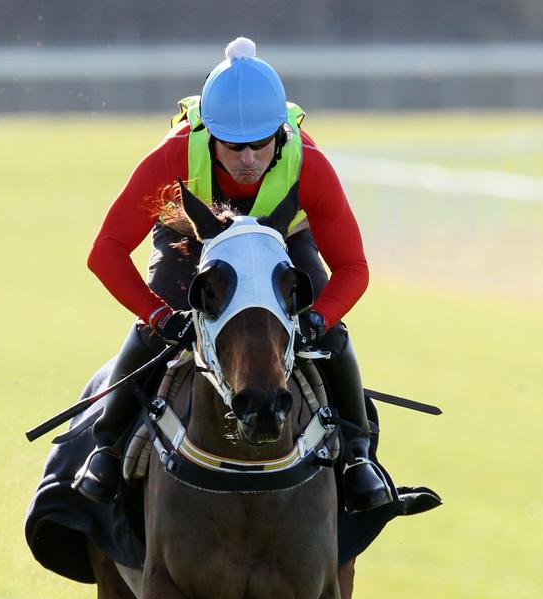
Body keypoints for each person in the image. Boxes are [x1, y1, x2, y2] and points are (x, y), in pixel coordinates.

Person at [73, 37, 392, 513]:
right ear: (210, 135)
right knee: (156, 331)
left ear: (280, 136)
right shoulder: (173, 155)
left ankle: (358, 458)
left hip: (283, 235)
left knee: (334, 336)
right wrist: (158, 315)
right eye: (233, 146)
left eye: (260, 145)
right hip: (192, 234)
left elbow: (354, 269)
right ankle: (106, 447)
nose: (247, 160)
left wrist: (318, 321)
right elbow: (106, 252)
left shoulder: (312, 166)